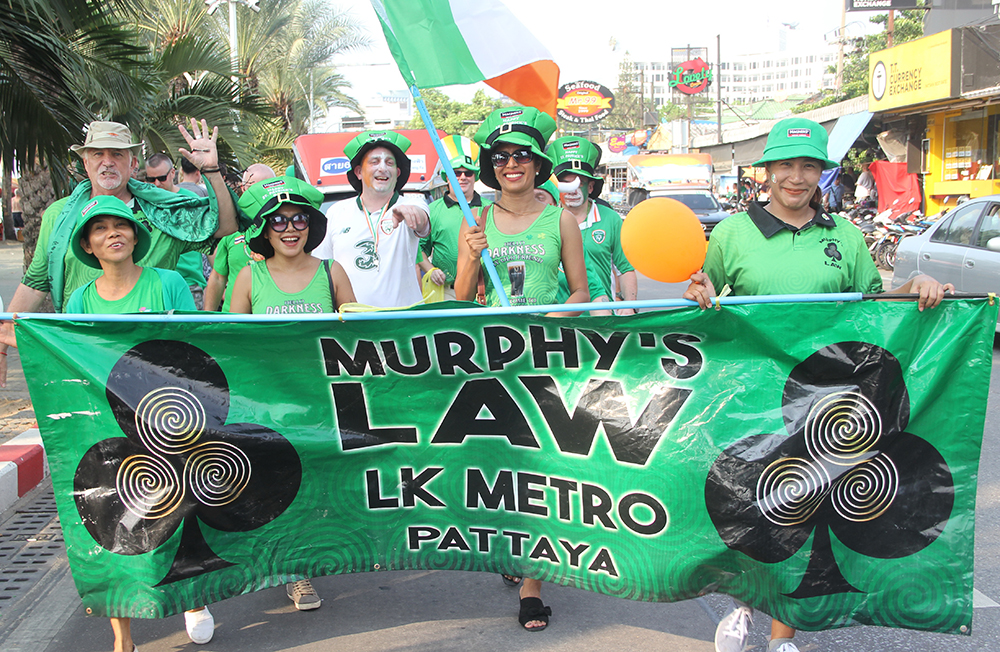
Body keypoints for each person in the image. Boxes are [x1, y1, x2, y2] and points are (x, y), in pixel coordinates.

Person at [683, 117, 953, 652]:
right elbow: (703, 301)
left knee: (804, 505)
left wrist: (913, 286)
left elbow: (871, 305)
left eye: (808, 166)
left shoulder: (845, 235)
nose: (796, 177)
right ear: (767, 172)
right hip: (754, 392)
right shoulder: (732, 233)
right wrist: (698, 290)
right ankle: (743, 604)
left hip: (827, 396)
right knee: (749, 503)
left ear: (821, 174)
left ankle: (783, 632)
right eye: (785, 165)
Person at [0, 195, 212, 651]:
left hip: (167, 418)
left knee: (178, 513)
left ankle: (193, 599)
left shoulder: (169, 283)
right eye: (100, 228)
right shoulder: (79, 298)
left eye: (121, 225)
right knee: (111, 524)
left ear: (135, 236)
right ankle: (123, 638)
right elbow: (69, 354)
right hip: (106, 426)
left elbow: (193, 347)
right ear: (88, 245)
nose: (112, 233)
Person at [454, 106, 589, 631]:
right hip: (491, 362)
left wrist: (549, 319)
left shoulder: (562, 219)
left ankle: (533, 585)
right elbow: (462, 298)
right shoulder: (476, 221)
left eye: (522, 156)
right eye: (501, 157)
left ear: (538, 165)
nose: (512, 164)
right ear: (491, 167)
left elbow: (580, 291)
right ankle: (512, 544)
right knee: (498, 466)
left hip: (545, 359)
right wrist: (470, 257)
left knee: (539, 469)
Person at [0, 119, 240, 385]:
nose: (107, 162)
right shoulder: (60, 216)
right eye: (98, 154)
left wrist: (212, 171)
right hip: (85, 361)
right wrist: (1, 345)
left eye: (117, 154)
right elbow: (35, 284)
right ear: (85, 162)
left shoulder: (165, 213)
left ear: (133, 163)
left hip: (154, 368)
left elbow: (226, 226)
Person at [228, 176, 355, 610]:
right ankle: (294, 572)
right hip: (268, 407)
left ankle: (312, 556)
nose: (289, 228)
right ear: (264, 231)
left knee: (319, 490)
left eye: (299, 219)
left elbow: (357, 338)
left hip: (321, 404)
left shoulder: (331, 272)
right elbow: (232, 344)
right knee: (278, 490)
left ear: (311, 226)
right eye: (278, 221)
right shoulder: (249, 277)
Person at [311, 131, 430, 308]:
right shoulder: (336, 212)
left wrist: (413, 215)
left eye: (389, 163)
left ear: (397, 173)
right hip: (353, 321)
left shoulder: (412, 203)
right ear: (358, 172)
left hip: (402, 320)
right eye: (374, 162)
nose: (382, 168)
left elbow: (422, 222)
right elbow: (322, 268)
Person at [547, 136, 636, 316]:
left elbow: (625, 269)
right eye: (566, 184)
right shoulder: (546, 220)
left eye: (579, 183)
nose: (572, 191)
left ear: (590, 187)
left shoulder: (610, 218)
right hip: (557, 320)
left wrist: (630, 306)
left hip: (601, 319)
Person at [418, 134, 490, 301]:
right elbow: (418, 249)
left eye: (468, 173)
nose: (462, 177)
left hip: (483, 291)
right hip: (446, 292)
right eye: (456, 173)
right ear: (447, 177)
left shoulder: (490, 208)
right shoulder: (432, 211)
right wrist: (430, 270)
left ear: (475, 176)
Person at [204, 165, 276, 311]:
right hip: (235, 318)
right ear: (243, 189)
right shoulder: (232, 224)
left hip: (271, 315)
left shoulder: (286, 226)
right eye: (254, 188)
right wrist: (208, 318)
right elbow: (218, 276)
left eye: (266, 187)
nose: (260, 194)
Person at [145, 153, 208, 308]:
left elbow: (209, 240)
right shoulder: (144, 202)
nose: (157, 184)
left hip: (189, 282)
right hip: (154, 282)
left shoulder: (189, 200)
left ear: (173, 173)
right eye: (151, 179)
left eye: (162, 178)